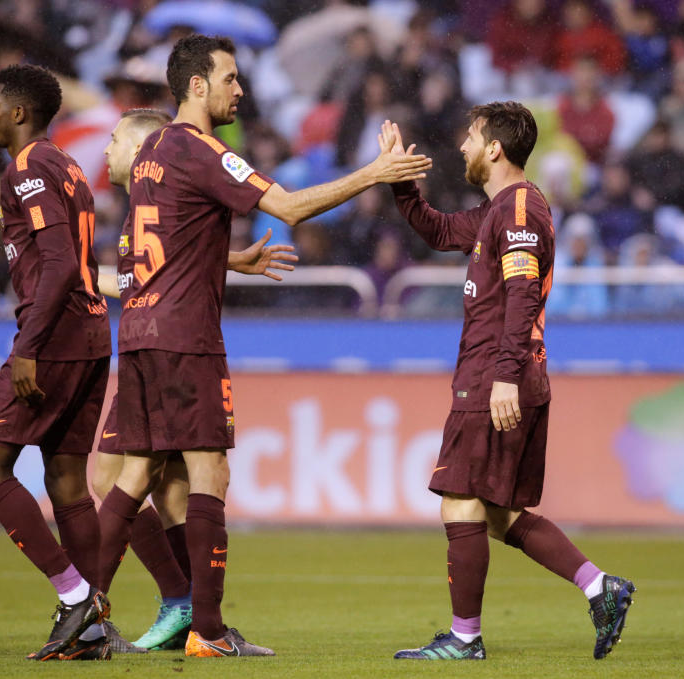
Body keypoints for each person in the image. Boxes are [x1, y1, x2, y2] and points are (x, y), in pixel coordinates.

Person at [94, 33, 432, 659]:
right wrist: (377, 173)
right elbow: (292, 207)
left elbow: (163, 244)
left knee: (133, 474)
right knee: (208, 472)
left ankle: (83, 613)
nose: (239, 89)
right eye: (229, 77)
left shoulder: (151, 152)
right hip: (185, 337)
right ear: (198, 85)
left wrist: (230, 262)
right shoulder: (201, 148)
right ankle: (210, 632)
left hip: (138, 332)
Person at [381, 103, 635, 661]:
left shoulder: (518, 207)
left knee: (458, 500)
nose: (464, 147)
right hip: (508, 373)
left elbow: (521, 295)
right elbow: (441, 229)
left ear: (495, 148)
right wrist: (400, 185)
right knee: (496, 513)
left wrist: (502, 379)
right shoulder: (501, 208)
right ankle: (599, 586)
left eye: (471, 137)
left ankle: (465, 639)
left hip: (496, 375)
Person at [94, 107, 298, 651]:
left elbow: (157, 263)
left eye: (114, 140)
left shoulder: (157, 179)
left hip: (154, 340)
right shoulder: (142, 196)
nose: (106, 150)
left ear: (140, 149)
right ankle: (187, 609)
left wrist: (225, 261)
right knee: (141, 477)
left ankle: (169, 608)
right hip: (164, 340)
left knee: (156, 480)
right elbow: (150, 267)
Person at [0, 64, 112, 661]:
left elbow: (57, 262)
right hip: (92, 334)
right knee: (68, 481)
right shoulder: (67, 165)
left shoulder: (27, 169)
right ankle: (95, 627)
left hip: (53, 337)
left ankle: (77, 597)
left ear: (19, 113)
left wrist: (27, 345)